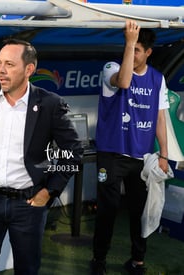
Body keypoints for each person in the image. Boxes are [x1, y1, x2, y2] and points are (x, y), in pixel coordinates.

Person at [0, 38, 83, 275]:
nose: (1, 71)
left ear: (29, 69)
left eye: (9, 64)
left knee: (27, 269)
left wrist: (49, 191)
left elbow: (74, 152)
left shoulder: (49, 104)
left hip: (28, 205)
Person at [91, 20, 169, 275]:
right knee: (108, 210)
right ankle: (99, 262)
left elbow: (160, 118)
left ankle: (137, 261)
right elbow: (124, 82)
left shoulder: (158, 79)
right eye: (131, 48)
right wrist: (129, 42)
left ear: (149, 52)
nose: (134, 53)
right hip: (111, 155)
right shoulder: (111, 67)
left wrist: (164, 155)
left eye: (138, 49)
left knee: (139, 211)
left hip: (142, 156)